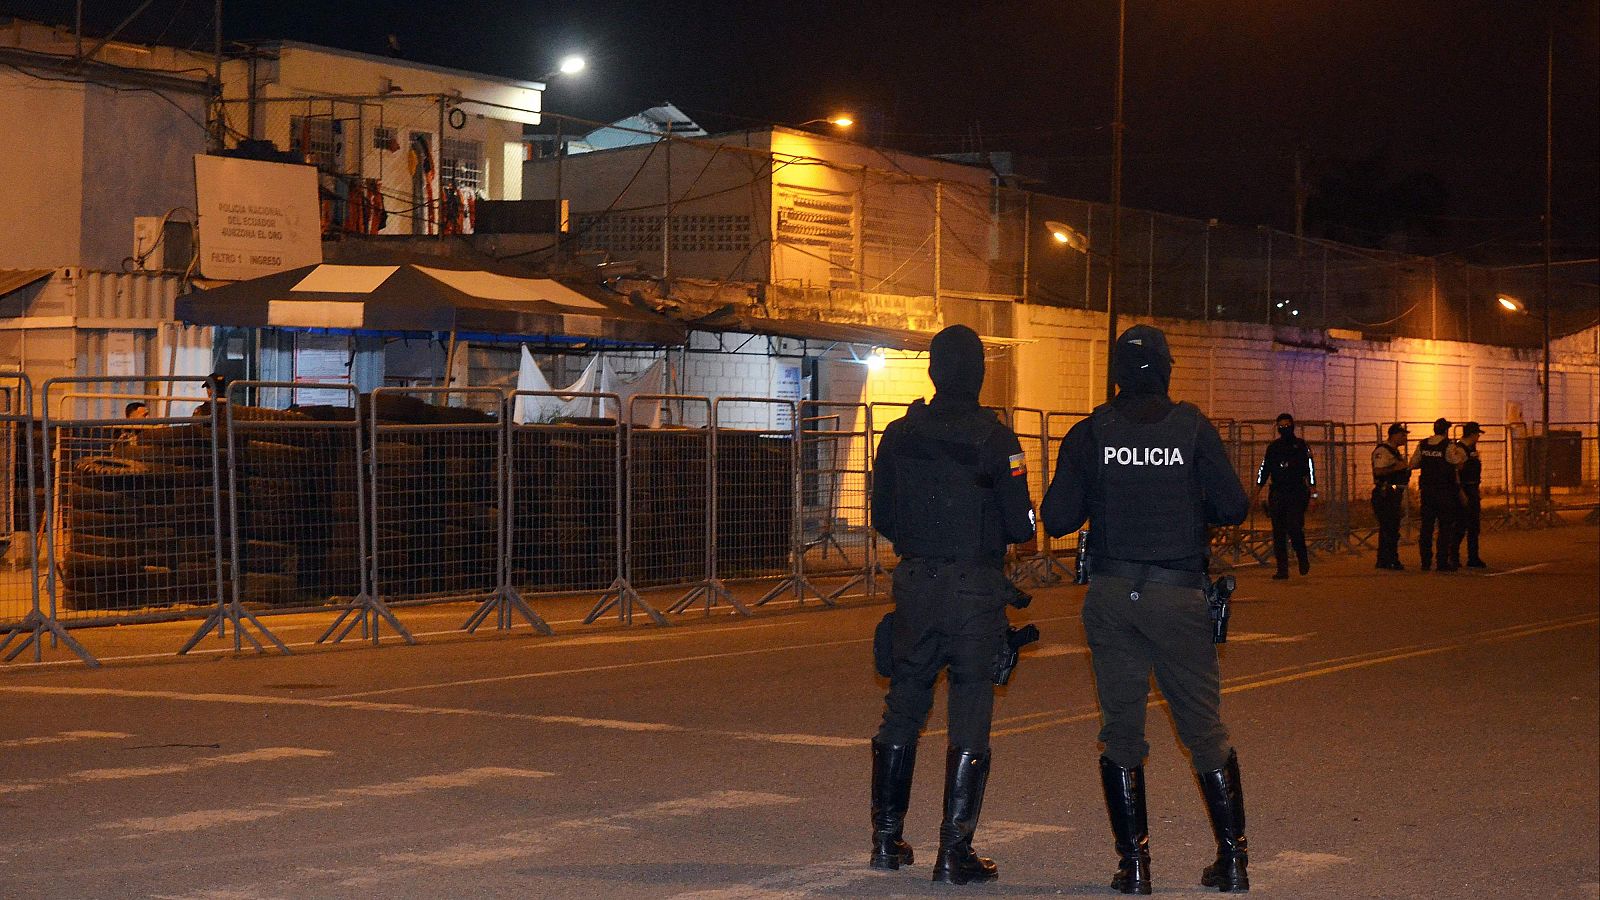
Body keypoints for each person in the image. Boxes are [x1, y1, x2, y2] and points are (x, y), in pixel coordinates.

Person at [1041, 325, 1251, 895]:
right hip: (1177, 594)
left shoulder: (1091, 433)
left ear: (1114, 372)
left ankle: (1133, 870)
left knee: (1122, 733)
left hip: (1112, 597)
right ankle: (1232, 863)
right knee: (1203, 730)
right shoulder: (1191, 428)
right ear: (1165, 369)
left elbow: (1056, 518)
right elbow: (1234, 505)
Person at [868, 324, 1036, 885]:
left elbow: (883, 518)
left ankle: (886, 841)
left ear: (934, 372)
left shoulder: (898, 433)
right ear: (978, 373)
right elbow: (1021, 525)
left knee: (904, 708)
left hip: (916, 581)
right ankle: (953, 851)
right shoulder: (997, 438)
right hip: (974, 588)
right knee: (969, 713)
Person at [1253, 413, 1316, 579]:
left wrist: (1313, 494)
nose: (1284, 429)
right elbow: (1264, 469)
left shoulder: (1301, 446)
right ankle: (1282, 569)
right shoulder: (1273, 448)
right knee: (1278, 533)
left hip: (1296, 492)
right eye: (1281, 426)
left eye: (1287, 426)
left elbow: (1310, 470)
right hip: (1278, 493)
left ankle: (1302, 556)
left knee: (1294, 527)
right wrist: (1256, 490)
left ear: (1293, 426)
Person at [1410, 418, 1467, 572]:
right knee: (1445, 526)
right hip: (1444, 491)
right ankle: (1442, 561)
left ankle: (1425, 561)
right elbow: (1458, 463)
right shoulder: (1448, 446)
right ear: (1445, 430)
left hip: (1427, 491)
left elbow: (1413, 464)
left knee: (1427, 526)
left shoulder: (1422, 444)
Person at [1370, 424, 1411, 570]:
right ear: (1393, 435)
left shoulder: (1394, 452)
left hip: (1392, 494)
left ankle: (1385, 559)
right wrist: (1397, 467)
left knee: (1391, 527)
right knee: (1389, 528)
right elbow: (1378, 471)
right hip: (1385, 493)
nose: (1405, 438)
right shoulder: (1383, 451)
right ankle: (1389, 559)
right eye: (1402, 435)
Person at [1452, 422, 1487, 567]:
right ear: (1472, 434)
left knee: (1473, 526)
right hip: (1465, 489)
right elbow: (1456, 473)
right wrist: (1461, 493)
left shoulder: (1472, 449)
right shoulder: (1460, 449)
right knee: (1461, 525)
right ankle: (1453, 556)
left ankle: (1473, 557)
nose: (1478, 436)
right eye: (1477, 434)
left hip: (1472, 488)